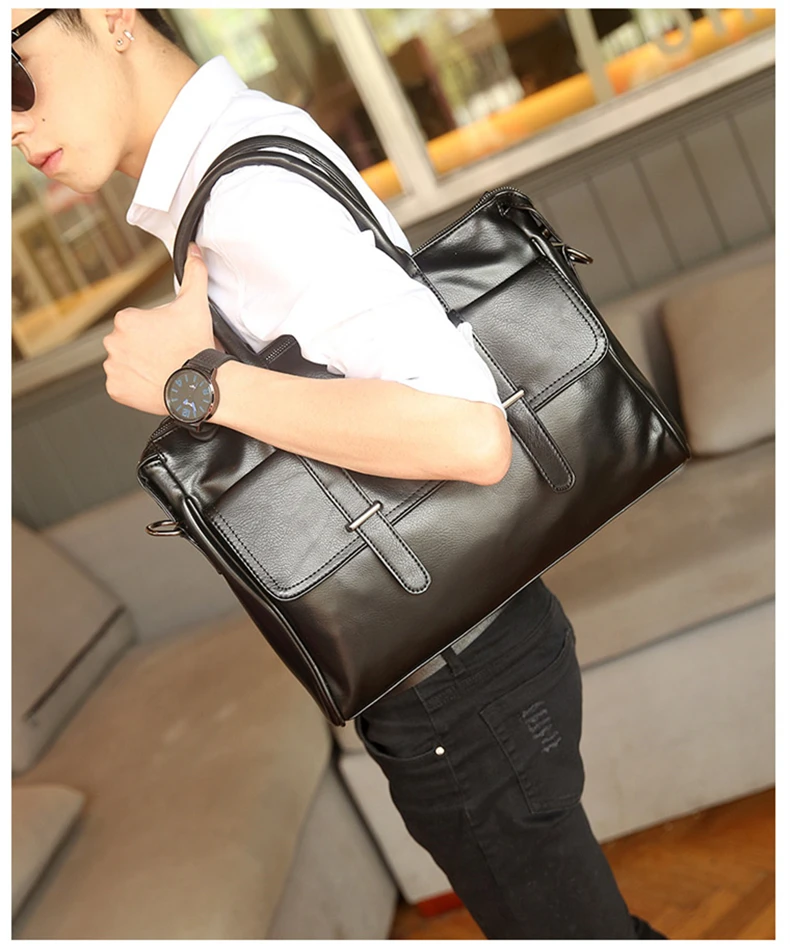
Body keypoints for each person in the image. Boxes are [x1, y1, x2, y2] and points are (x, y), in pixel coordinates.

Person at [11, 9, 668, 940]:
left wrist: (196, 387)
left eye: (15, 75)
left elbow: (470, 437)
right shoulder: (234, 164)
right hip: (464, 650)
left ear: (111, 18)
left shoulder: (245, 198)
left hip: (457, 683)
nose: (12, 124)